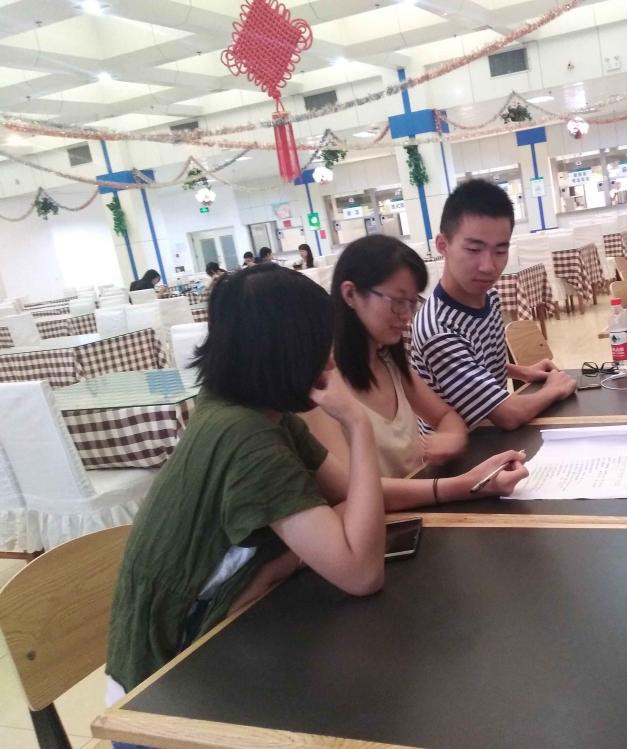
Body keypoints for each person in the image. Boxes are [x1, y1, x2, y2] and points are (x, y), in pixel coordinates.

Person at [106, 263, 385, 723]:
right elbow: (361, 573)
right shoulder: (247, 439)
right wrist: (357, 424)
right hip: (161, 696)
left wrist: (450, 487)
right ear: (287, 352)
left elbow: (352, 495)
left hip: (201, 652)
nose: (331, 361)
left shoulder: (248, 411)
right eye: (321, 344)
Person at [303, 234, 528, 509]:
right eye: (398, 301)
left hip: (422, 511)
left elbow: (445, 416)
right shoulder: (322, 385)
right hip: (384, 525)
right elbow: (351, 490)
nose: (408, 316)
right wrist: (465, 485)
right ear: (350, 294)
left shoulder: (388, 361)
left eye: (412, 303)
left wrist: (450, 437)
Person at [411, 179, 576, 430]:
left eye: (500, 251)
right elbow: (509, 415)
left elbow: (473, 363)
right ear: (443, 245)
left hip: (492, 435)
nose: (488, 267)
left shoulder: (488, 296)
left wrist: (522, 372)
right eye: (474, 249)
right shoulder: (438, 330)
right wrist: (553, 390)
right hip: (465, 448)